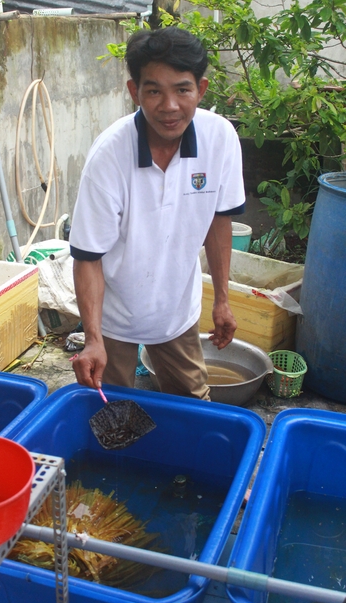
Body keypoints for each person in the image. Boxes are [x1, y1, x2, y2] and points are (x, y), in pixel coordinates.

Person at [69, 27, 245, 400]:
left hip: (176, 313)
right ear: (135, 92)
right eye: (154, 91)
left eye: (182, 89)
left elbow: (218, 220)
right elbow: (88, 256)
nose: (169, 106)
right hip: (113, 318)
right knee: (110, 415)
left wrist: (223, 299)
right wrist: (93, 339)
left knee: (195, 407)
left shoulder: (220, 139)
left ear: (201, 88)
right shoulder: (109, 157)